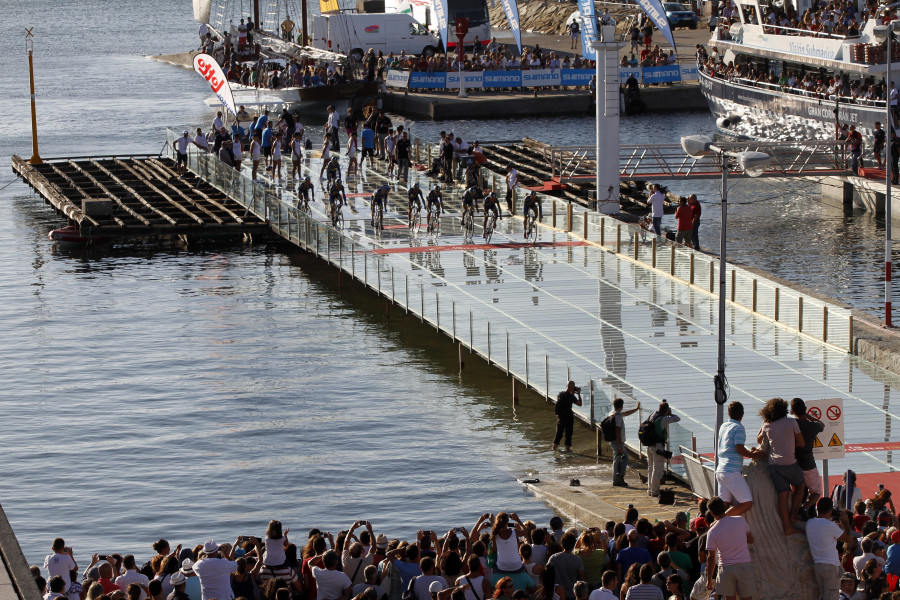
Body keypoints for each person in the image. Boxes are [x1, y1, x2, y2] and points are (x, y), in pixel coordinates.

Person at [756, 397, 805, 535]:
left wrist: (765, 424)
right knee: (800, 485)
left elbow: (758, 439)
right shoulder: (791, 422)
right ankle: (794, 513)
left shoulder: (767, 426)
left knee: (782, 496)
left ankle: (787, 527)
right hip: (789, 463)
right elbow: (801, 443)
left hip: (774, 466)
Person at [715, 401, 765, 516]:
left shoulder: (723, 426)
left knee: (724, 505)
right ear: (742, 414)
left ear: (729, 413)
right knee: (747, 502)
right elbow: (739, 449)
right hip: (732, 472)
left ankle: (715, 524)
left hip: (720, 471)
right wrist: (757, 455)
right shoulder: (739, 428)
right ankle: (721, 520)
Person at [704, 496, 755, 600]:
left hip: (725, 568)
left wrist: (709, 579)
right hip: (744, 565)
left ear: (712, 513)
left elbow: (711, 558)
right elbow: (750, 539)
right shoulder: (740, 520)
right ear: (724, 507)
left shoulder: (712, 531)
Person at [806, 497, 854, 600]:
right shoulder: (830, 526)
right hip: (830, 566)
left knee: (822, 596)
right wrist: (846, 522)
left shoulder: (810, 523)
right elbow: (848, 539)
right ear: (829, 510)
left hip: (817, 565)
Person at [790, 398, 825, 517]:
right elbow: (821, 424)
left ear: (792, 411)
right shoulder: (812, 426)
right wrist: (808, 416)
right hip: (808, 462)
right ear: (804, 410)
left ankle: (795, 510)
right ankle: (805, 507)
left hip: (794, 463)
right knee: (815, 491)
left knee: (797, 490)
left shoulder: (791, 425)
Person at [646, 400, 681, 497]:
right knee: (657, 470)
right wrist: (670, 414)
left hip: (649, 446)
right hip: (658, 446)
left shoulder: (652, 415)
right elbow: (677, 418)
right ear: (666, 410)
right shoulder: (663, 419)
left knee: (650, 468)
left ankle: (650, 489)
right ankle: (655, 491)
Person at [610, 398, 641, 487]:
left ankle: (616, 480)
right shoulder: (618, 416)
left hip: (613, 440)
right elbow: (617, 430)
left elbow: (625, 413)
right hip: (617, 442)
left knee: (617, 459)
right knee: (624, 458)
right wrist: (619, 444)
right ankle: (619, 476)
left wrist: (636, 409)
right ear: (621, 406)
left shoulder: (613, 413)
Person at [546, 534, 584, 600]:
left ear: (562, 544)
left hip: (557, 594)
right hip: (572, 594)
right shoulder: (578, 560)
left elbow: (547, 573)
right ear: (573, 545)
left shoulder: (554, 558)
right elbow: (582, 578)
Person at [552, 381, 583, 452]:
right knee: (568, 436)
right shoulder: (572, 397)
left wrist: (572, 391)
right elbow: (580, 404)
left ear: (566, 386)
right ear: (572, 388)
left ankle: (553, 450)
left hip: (560, 418)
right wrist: (578, 394)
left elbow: (565, 400)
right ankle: (568, 452)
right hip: (569, 418)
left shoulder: (560, 394)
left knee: (558, 436)